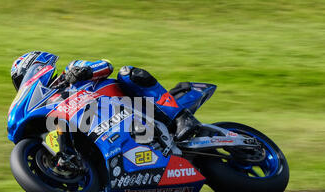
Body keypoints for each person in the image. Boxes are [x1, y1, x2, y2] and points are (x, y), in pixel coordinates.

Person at [11, 51, 198, 139]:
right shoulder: (49, 103)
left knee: (127, 73)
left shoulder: (71, 69)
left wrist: (83, 72)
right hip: (108, 127)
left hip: (128, 102)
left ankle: (181, 118)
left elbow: (106, 64)